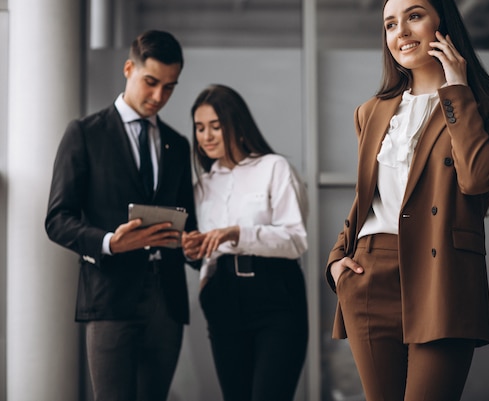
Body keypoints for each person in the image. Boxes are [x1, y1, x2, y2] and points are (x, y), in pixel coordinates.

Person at [325, 0, 489, 400]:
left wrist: (457, 90)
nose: (401, 31)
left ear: (444, 24)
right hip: (368, 275)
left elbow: (477, 180)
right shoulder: (372, 111)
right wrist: (336, 260)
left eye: (414, 16)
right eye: (390, 24)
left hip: (443, 275)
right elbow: (370, 196)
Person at [45, 30, 196, 401]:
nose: (159, 96)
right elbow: (57, 218)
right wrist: (110, 242)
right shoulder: (84, 134)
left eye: (170, 87)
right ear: (128, 68)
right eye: (151, 82)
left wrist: (192, 242)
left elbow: (188, 219)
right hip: (110, 298)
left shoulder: (178, 144)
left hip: (168, 302)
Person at [182, 84, 309, 401]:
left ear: (236, 125)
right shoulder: (201, 187)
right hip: (221, 298)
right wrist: (195, 254)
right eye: (200, 128)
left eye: (216, 126)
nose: (207, 136)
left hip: (275, 296)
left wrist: (236, 234)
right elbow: (206, 250)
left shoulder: (273, 168)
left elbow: (295, 240)